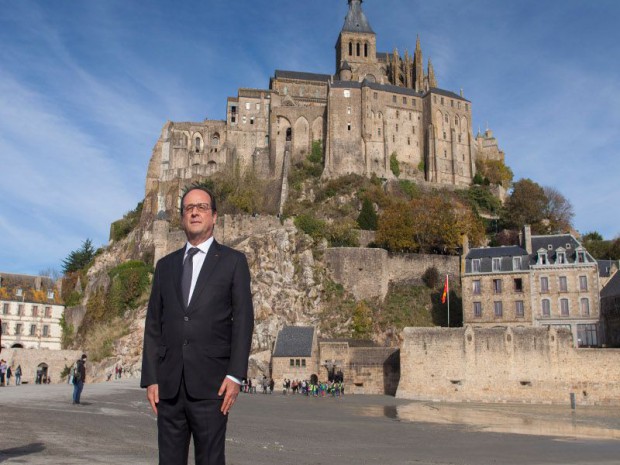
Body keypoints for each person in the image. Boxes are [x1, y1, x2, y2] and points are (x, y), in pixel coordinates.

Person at [141, 187, 254, 465]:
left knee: (211, 460)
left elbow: (243, 320)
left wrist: (236, 375)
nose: (194, 212)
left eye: (202, 207)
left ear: (214, 216)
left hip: (213, 385)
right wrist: (151, 377)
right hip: (169, 386)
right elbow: (154, 323)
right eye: (189, 208)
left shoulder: (233, 261)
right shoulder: (165, 266)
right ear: (182, 218)